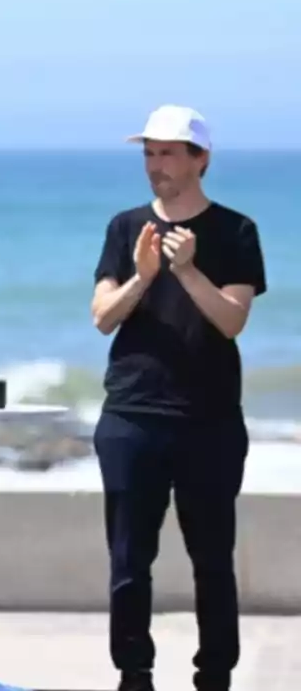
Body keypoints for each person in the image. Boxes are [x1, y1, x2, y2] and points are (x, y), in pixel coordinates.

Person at [90, 105, 266, 691]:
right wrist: (142, 277)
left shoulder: (236, 231)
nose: (155, 164)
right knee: (127, 563)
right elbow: (101, 319)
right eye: (148, 152)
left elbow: (232, 321)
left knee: (212, 562)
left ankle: (214, 676)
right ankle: (133, 676)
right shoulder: (125, 227)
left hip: (209, 422)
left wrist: (187, 271)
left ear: (201, 159)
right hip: (132, 417)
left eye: (167, 152)